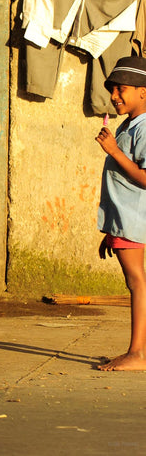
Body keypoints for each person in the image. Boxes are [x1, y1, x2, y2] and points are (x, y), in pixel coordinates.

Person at [95, 56, 146, 371]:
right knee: (136, 281)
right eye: (113, 89)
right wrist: (110, 231)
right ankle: (138, 351)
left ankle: (138, 353)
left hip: (133, 219)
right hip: (124, 221)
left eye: (122, 89)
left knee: (137, 282)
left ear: (143, 91)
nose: (115, 96)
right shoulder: (129, 124)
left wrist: (113, 150)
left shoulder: (144, 127)